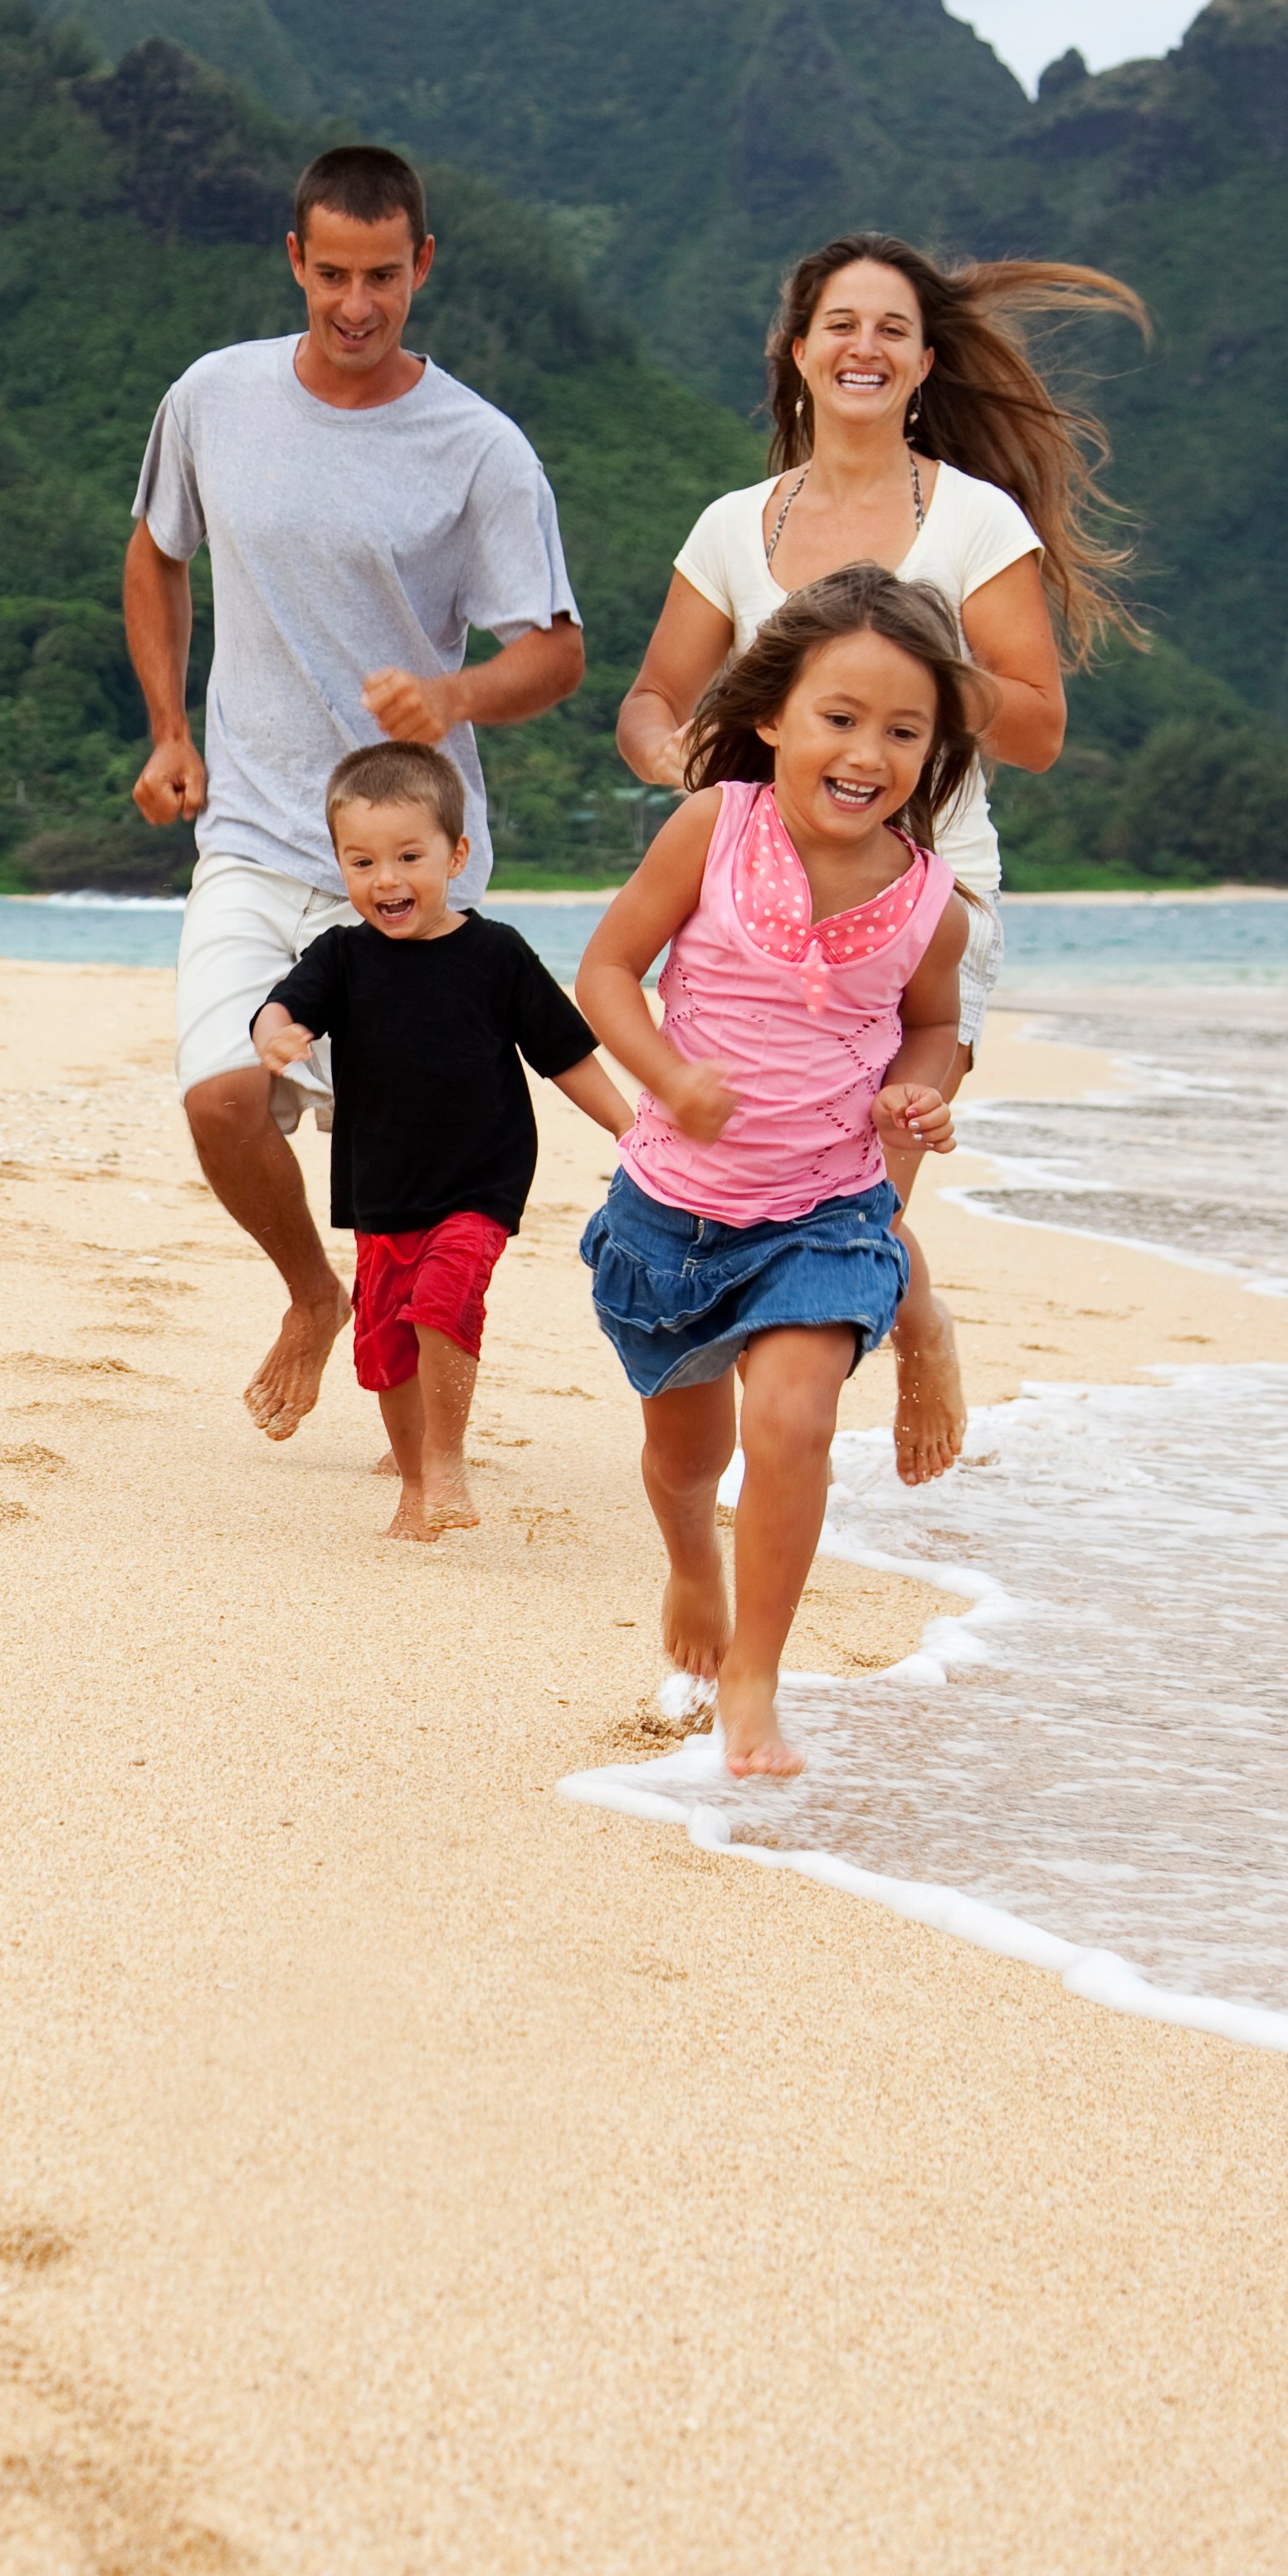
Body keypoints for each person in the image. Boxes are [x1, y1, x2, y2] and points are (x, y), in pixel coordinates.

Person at [607, 235, 1144, 1488]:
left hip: (925, 895)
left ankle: (852, 1377)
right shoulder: (734, 527)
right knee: (762, 1167)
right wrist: (672, 753)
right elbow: (653, 695)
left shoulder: (972, 520)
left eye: (891, 329)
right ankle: (868, 1339)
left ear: (923, 362)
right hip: (754, 905)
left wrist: (883, 666)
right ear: (797, 353)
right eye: (839, 324)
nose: (864, 346)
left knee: (855, 1186)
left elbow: (1041, 725)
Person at [127, 144, 586, 1443]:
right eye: (332, 275)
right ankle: (309, 1298)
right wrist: (170, 728)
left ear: (422, 264)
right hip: (259, 840)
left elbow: (555, 653)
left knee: (420, 1191)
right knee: (223, 1094)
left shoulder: (478, 449)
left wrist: (455, 699)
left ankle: (426, 1461)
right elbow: (157, 557)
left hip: (411, 865)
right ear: (294, 261)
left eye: (383, 276)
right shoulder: (214, 399)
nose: (356, 304)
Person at [574, 568, 975, 1779]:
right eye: (839, 718)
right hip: (673, 1217)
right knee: (681, 1461)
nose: (868, 753)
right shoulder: (712, 827)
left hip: (824, 1211)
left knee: (794, 1419)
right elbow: (603, 975)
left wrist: (925, 1085)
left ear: (934, 749)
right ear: (771, 719)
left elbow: (933, 1024)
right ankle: (693, 1557)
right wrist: (670, 1075)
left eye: (904, 731)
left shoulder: (930, 905)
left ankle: (756, 1673)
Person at [251, 741, 633, 1541]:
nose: (386, 880)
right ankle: (416, 1488)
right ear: (341, 866)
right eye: (362, 862)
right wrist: (276, 1033)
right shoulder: (342, 958)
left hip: (479, 1181)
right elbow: (284, 1007)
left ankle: (449, 1457)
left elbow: (565, 1055)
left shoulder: (497, 956)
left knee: (444, 1299)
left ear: (457, 855)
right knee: (387, 1349)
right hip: (383, 1191)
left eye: (408, 856)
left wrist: (634, 1131)